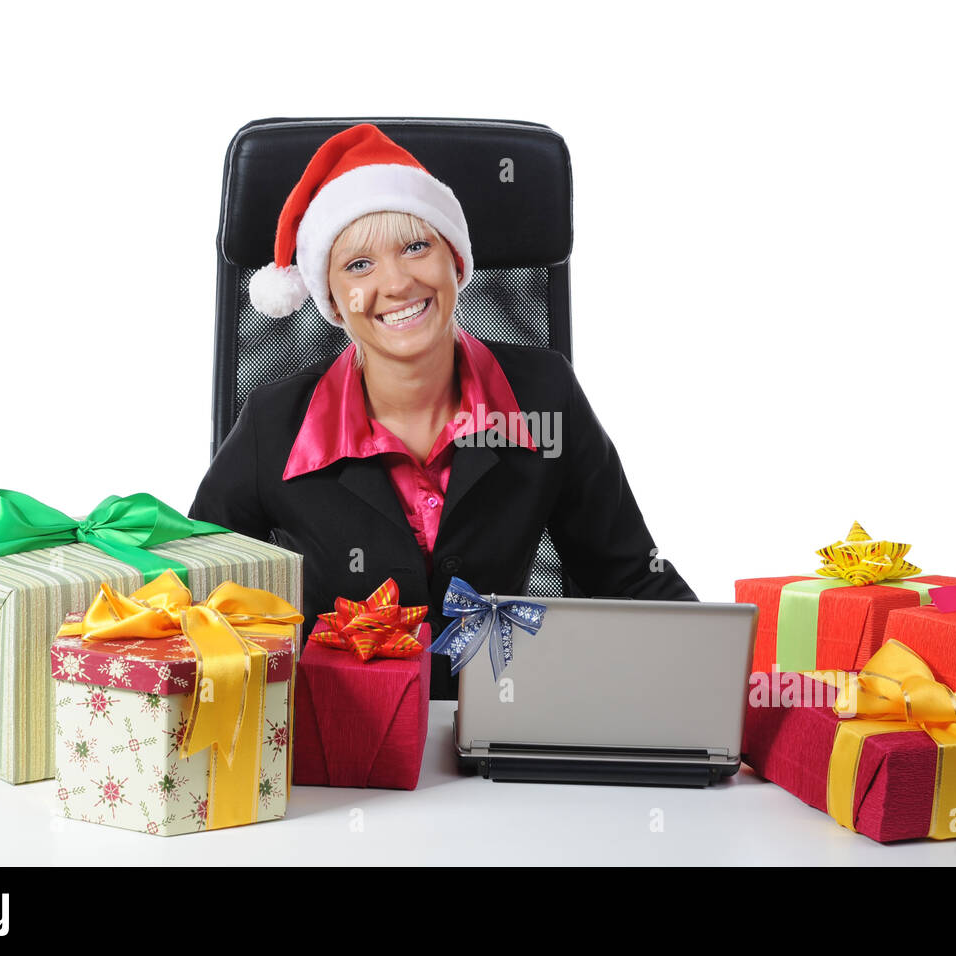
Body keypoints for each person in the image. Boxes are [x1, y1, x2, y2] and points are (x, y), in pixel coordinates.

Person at [190, 123, 695, 699]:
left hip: (505, 726)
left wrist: (731, 685)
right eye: (358, 265)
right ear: (329, 295)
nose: (398, 283)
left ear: (455, 261)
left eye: (415, 246)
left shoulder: (543, 394)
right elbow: (201, 596)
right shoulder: (276, 421)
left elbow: (630, 578)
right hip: (341, 746)